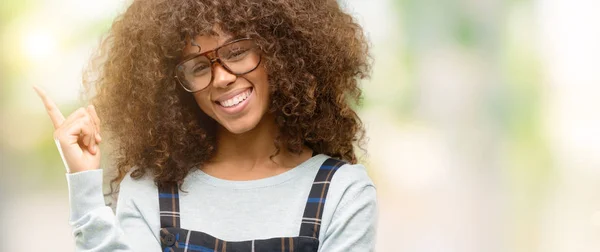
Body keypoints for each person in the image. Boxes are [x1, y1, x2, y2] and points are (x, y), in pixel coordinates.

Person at [34, 0, 377, 251]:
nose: (222, 78)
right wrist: (84, 187)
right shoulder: (152, 191)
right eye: (198, 67)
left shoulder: (341, 192)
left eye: (238, 52)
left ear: (282, 53)